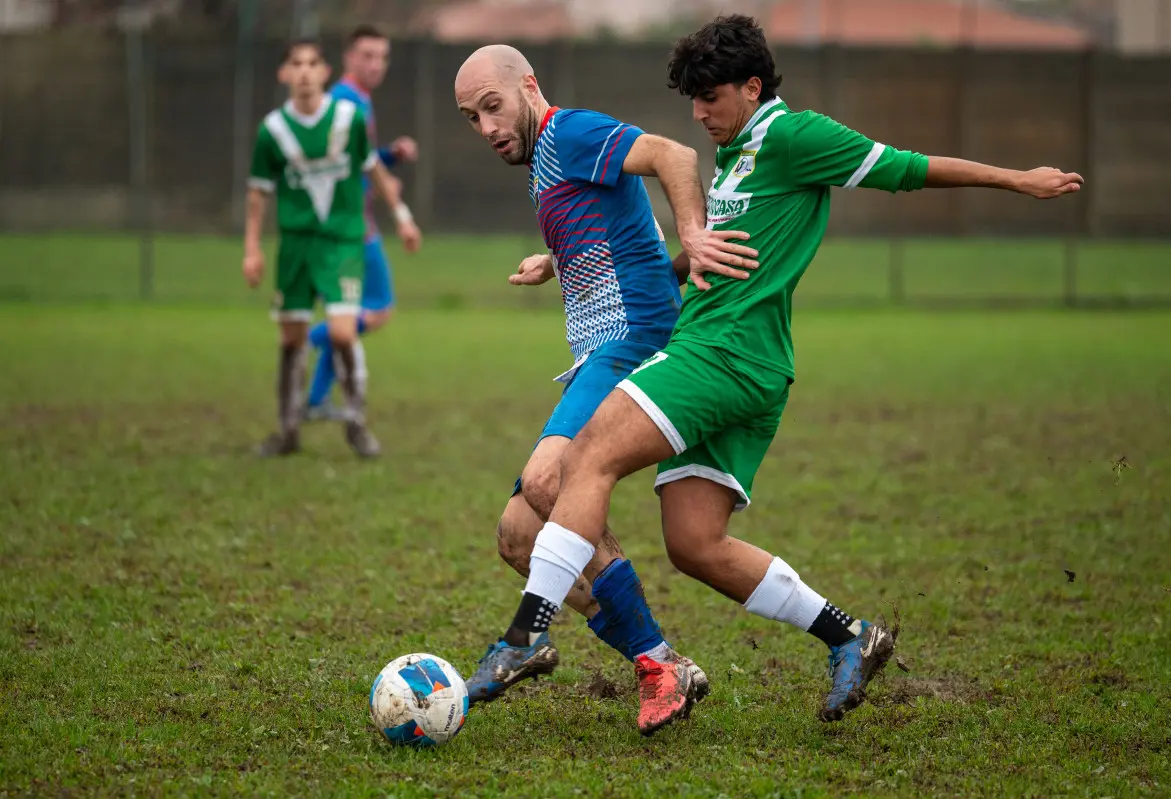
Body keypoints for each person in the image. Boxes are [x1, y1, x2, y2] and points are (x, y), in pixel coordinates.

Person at [472, 15, 1084, 729]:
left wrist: (1018, 180)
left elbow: (907, 168)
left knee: (587, 459)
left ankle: (524, 635)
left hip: (723, 354)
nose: (699, 115)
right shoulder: (738, 157)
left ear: (753, 86)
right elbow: (705, 256)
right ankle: (851, 636)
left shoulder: (795, 137)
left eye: (710, 97)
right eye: (692, 100)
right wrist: (578, 260)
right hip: (745, 363)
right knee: (695, 544)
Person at [452, 44, 758, 736]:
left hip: (633, 342)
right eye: (471, 118)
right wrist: (557, 260)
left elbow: (674, 156)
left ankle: (625, 660)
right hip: (604, 347)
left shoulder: (568, 131)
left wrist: (695, 233)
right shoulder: (543, 162)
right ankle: (658, 657)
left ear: (528, 87)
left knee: (547, 480)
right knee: (518, 536)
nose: (486, 127)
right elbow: (629, 243)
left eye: (493, 106)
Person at [243, 39, 420, 458]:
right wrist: (252, 248)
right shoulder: (273, 131)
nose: (304, 71)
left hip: (341, 242)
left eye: (312, 63)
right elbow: (257, 193)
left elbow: (371, 169)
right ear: (283, 74)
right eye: (295, 64)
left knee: (343, 331)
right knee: (290, 340)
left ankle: (356, 425)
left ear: (325, 72)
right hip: (296, 247)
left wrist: (403, 217)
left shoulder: (347, 119)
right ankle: (287, 432)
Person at [305, 24, 423, 424]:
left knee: (351, 312)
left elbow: (357, 160)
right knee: (379, 309)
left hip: (349, 223)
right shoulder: (344, 101)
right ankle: (303, 339)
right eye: (367, 55)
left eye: (382, 56)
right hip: (351, 227)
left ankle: (316, 401)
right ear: (348, 58)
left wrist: (388, 157)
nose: (376, 64)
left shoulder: (355, 100)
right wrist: (399, 211)